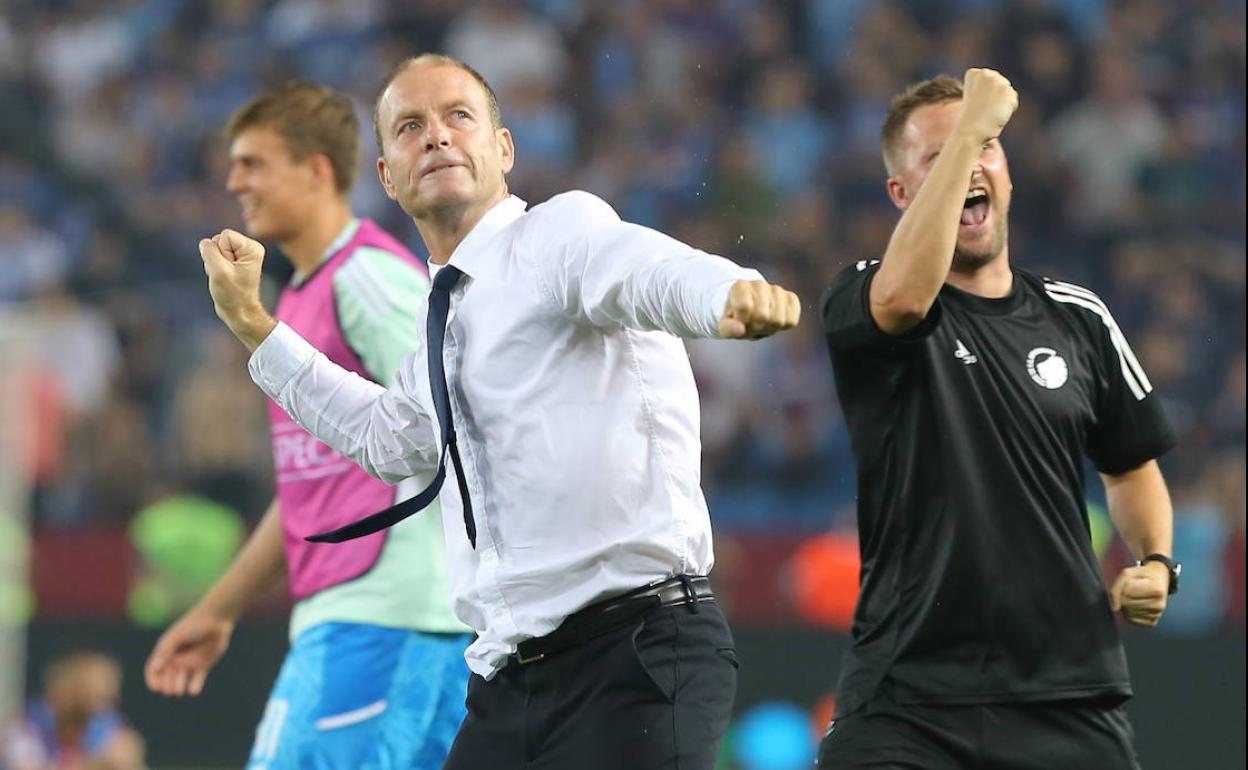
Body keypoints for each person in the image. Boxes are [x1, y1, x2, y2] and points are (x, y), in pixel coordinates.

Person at [196, 53, 801, 770]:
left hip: (634, 654)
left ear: (503, 148)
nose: (437, 136)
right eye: (411, 126)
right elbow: (391, 440)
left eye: (459, 116)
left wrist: (728, 292)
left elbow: (645, 269)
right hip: (505, 682)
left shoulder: (558, 235)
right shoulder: (441, 315)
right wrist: (257, 331)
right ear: (387, 175)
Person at [817, 69, 1179, 770]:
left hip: (1067, 698)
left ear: (1007, 172)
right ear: (901, 193)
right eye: (941, 154)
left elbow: (1132, 466)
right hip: (907, 699)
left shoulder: (1079, 316)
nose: (973, 159)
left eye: (987, 146)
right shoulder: (863, 293)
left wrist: (1157, 562)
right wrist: (976, 121)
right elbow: (900, 301)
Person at [143, 81, 471, 770]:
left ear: (317, 170)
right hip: (359, 616)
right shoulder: (302, 296)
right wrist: (220, 609)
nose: (234, 182)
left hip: (393, 615)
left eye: (253, 163)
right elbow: (307, 494)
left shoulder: (372, 280)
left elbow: (456, 426)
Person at [1, 651, 146, 770]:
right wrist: (95, 765)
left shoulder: (104, 725)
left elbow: (126, 756)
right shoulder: (28, 726)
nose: (105, 705)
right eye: (94, 694)